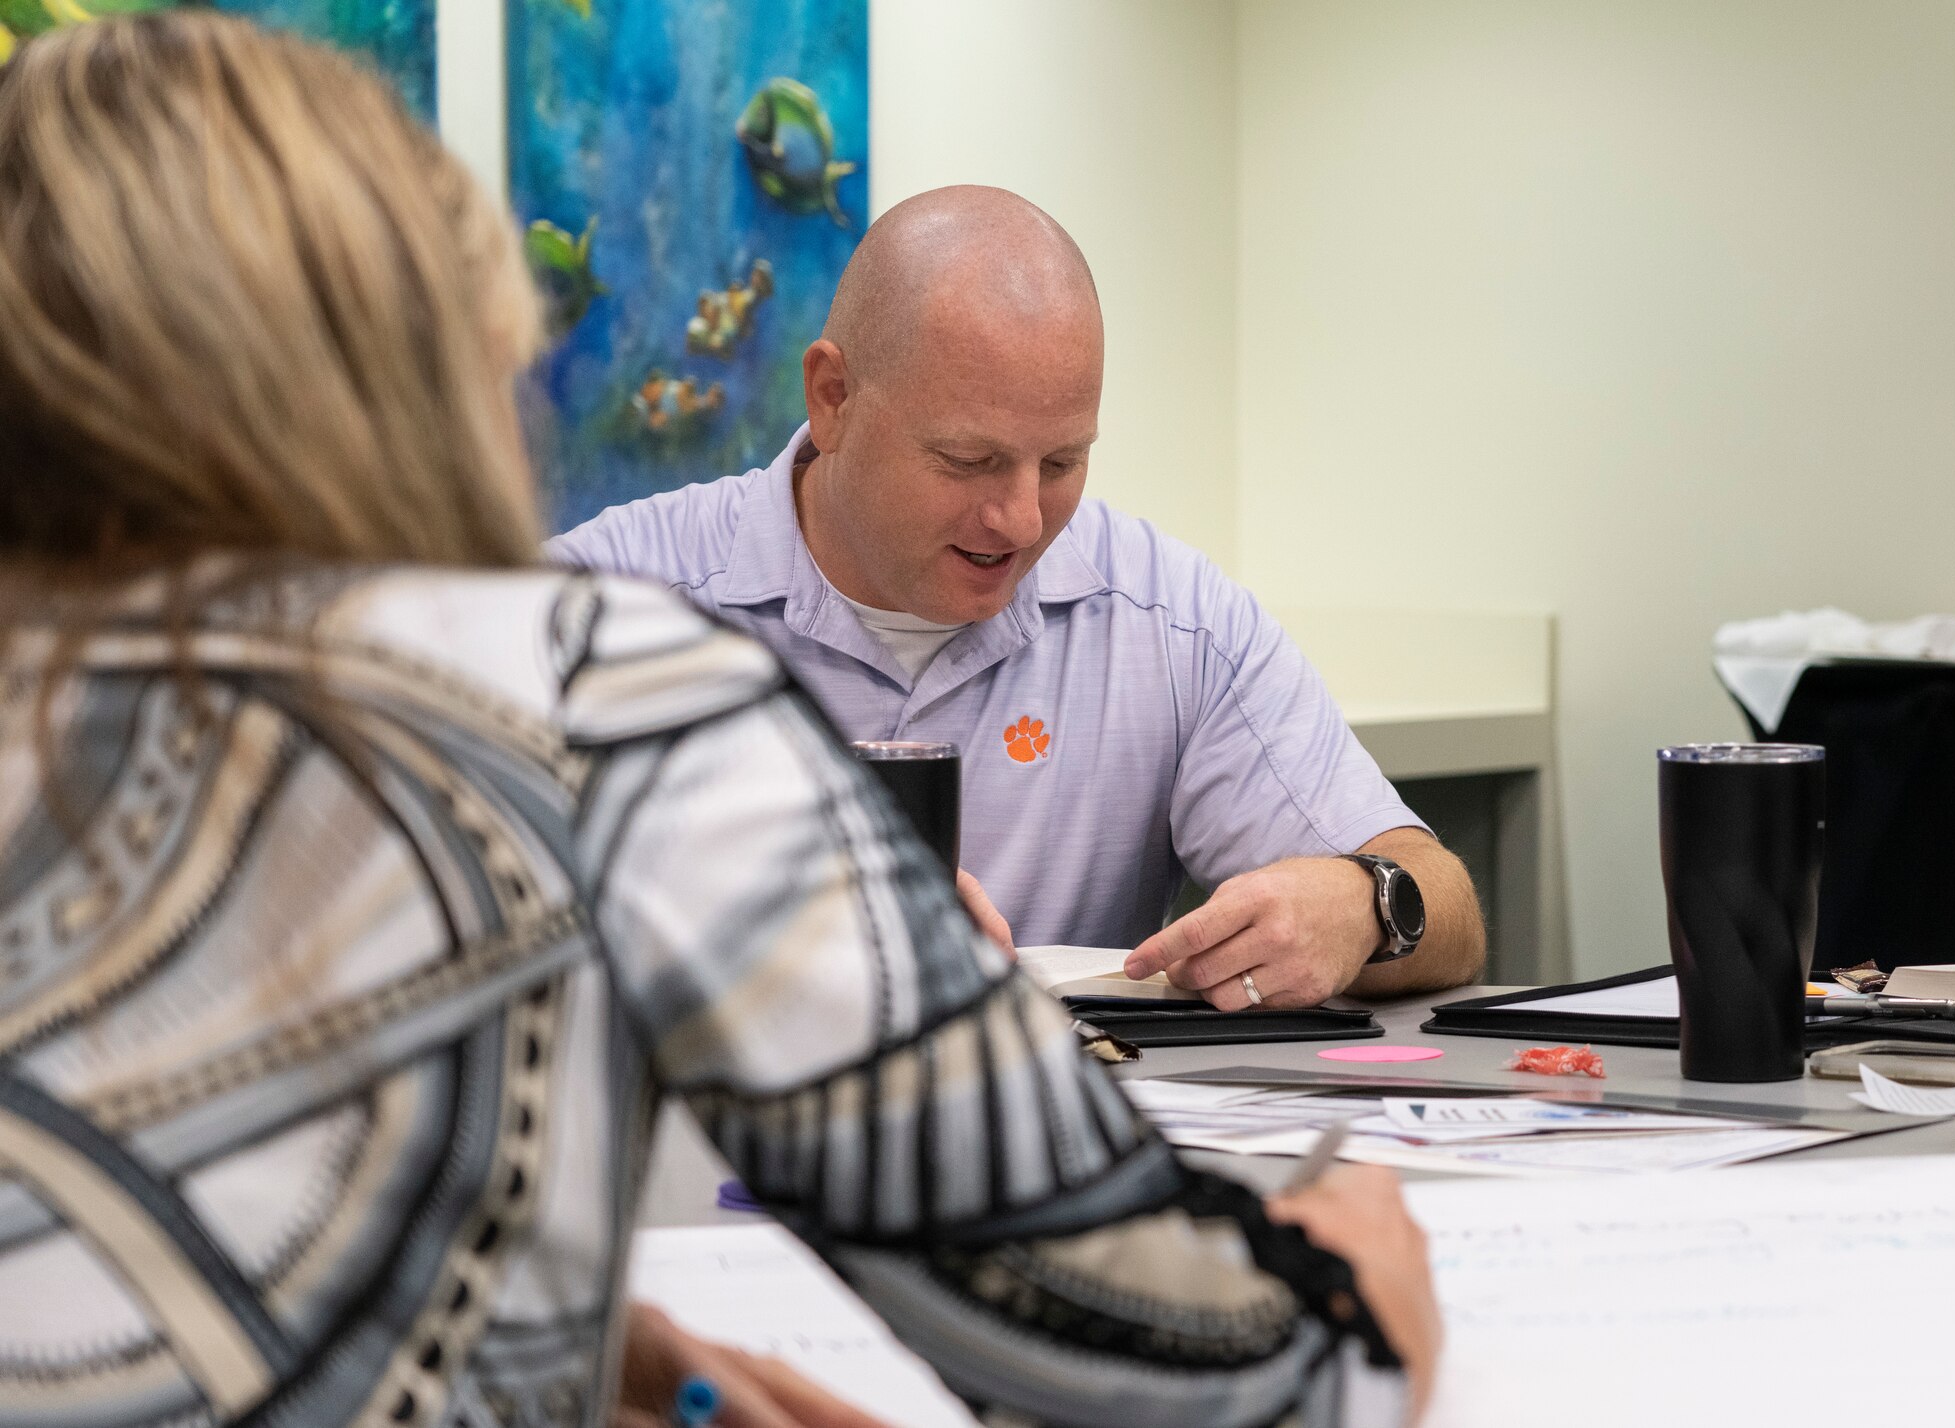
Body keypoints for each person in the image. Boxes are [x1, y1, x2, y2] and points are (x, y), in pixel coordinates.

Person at [0, 15, 1439, 1428]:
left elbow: (173, 1190)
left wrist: (568, 1325)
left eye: (1059, 463)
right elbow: (1211, 1375)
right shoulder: (592, 701)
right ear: (409, 377)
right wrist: (1348, 1287)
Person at [551, 186, 1486, 1010]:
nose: (1023, 520)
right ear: (832, 397)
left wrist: (1366, 905)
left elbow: (1445, 903)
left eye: (1064, 462)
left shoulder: (1169, 622)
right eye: (970, 461)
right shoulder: (592, 612)